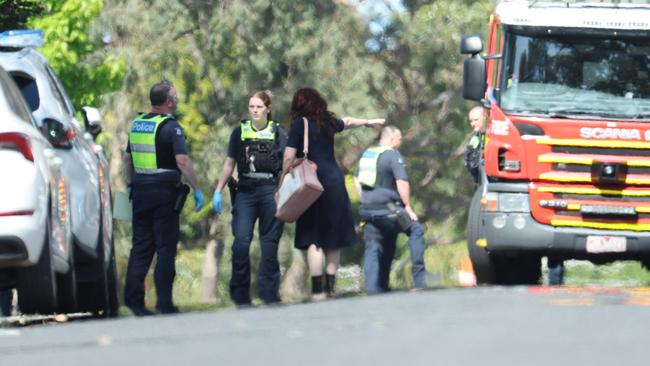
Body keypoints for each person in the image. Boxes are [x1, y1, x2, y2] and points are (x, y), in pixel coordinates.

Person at [282, 87, 384, 301]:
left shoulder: (299, 125)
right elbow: (346, 121)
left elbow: (288, 157)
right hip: (335, 182)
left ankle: (318, 290)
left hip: (312, 184)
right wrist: (368, 121)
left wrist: (283, 179)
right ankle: (331, 287)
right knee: (333, 239)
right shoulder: (327, 122)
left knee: (314, 239)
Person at [123, 81, 204, 316]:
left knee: (140, 248)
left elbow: (128, 160)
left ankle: (134, 301)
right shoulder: (172, 127)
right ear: (168, 101)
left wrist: (131, 183)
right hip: (164, 194)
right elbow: (182, 162)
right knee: (166, 248)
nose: (177, 99)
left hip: (139, 193)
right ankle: (164, 303)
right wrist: (197, 188)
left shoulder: (137, 125)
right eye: (175, 96)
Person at [213, 91, 286, 306]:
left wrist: (280, 190)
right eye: (252, 106)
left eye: (259, 107)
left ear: (268, 109)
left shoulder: (278, 132)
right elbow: (229, 163)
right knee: (241, 243)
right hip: (245, 191)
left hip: (269, 191)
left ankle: (269, 294)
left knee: (269, 245)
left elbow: (286, 165)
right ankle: (240, 296)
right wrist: (218, 189)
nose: (255, 110)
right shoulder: (239, 132)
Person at [354, 126, 427, 294]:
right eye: (399, 139)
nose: (400, 143)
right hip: (390, 209)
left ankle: (375, 288)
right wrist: (408, 207)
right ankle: (419, 282)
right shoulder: (393, 155)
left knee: (375, 243)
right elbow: (402, 182)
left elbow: (356, 179)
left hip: (368, 209)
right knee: (415, 229)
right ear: (392, 139)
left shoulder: (368, 154)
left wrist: (365, 199)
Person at [463, 106, 486, 184]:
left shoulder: (495, 135)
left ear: (485, 117)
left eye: (476, 120)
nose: (473, 124)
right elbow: (469, 162)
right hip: (480, 182)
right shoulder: (475, 139)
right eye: (471, 121)